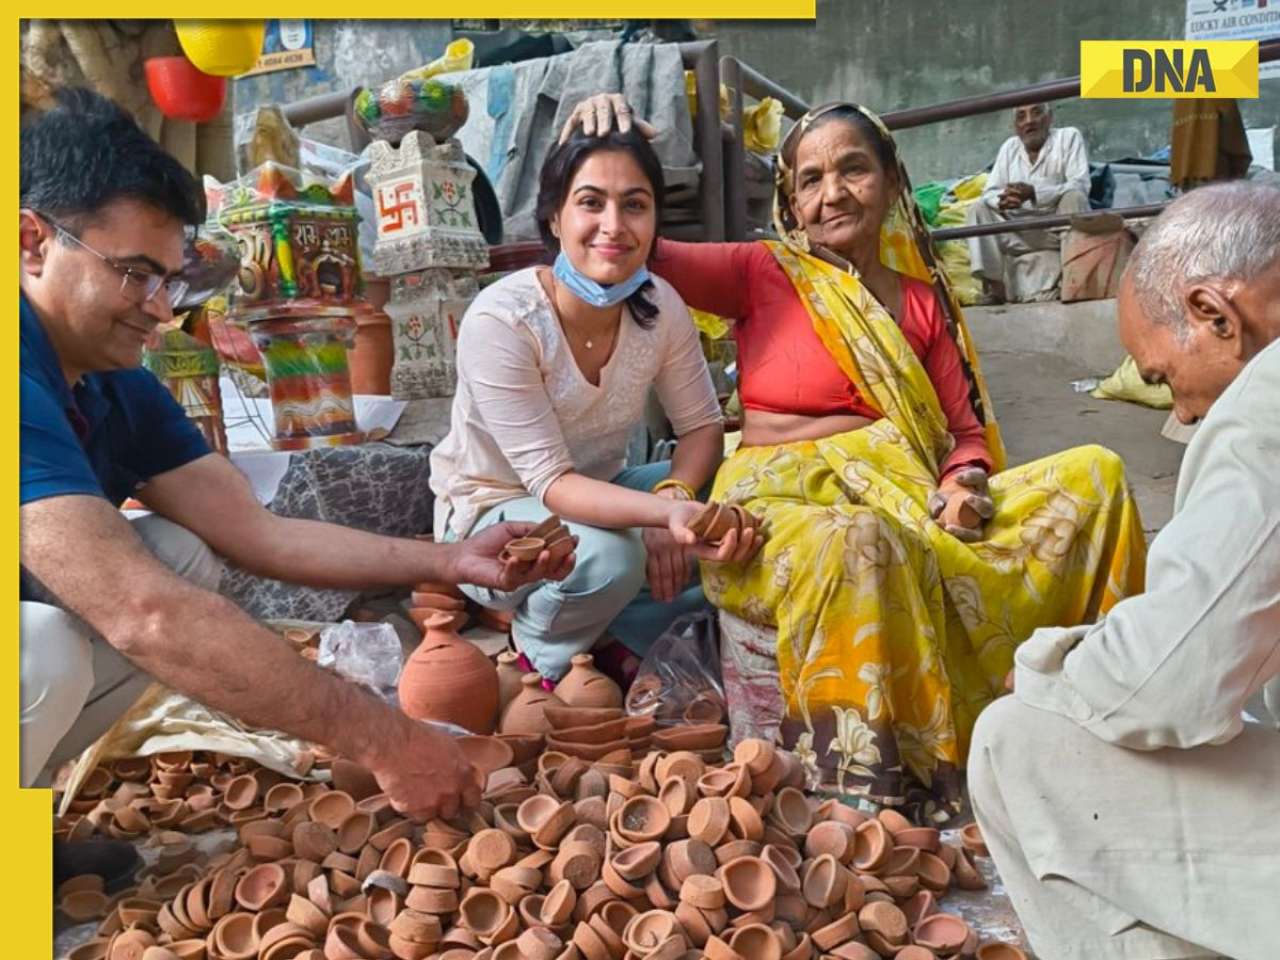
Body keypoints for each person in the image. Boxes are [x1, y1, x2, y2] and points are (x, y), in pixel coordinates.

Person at [20, 89, 574, 880]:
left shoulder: (112, 382)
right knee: (50, 648)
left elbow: (260, 533)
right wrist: (388, 741)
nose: (158, 309)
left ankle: (22, 826)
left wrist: (449, 562)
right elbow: (144, 615)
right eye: (136, 275)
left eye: (171, 282)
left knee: (178, 552)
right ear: (32, 241)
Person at [563, 95, 1145, 818]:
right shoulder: (760, 271)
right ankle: (864, 803)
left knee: (1096, 474)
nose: (832, 193)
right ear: (792, 202)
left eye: (852, 170)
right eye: (810, 180)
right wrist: (607, 140)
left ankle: (1088, 711)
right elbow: (628, 242)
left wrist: (964, 480)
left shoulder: (923, 303)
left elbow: (962, 432)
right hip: (783, 505)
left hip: (909, 495)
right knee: (862, 542)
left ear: (891, 181)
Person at [969, 182, 1280, 960]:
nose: (1178, 414)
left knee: (1015, 740)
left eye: (1165, 375)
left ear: (1216, 314)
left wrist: (1047, 670)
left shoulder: (1266, 412)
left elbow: (1173, 680)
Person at [429, 125, 758, 686]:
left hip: (604, 492)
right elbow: (552, 484)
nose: (614, 225)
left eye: (635, 205)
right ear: (555, 219)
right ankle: (540, 654)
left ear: (654, 222)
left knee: (743, 482)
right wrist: (661, 516)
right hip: (496, 512)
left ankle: (612, 633)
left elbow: (702, 426)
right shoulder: (502, 321)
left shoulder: (659, 303)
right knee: (611, 558)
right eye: (590, 203)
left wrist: (673, 494)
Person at [966, 102, 1091, 303]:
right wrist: (1004, 200)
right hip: (1019, 231)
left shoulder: (1068, 137)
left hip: (1056, 230)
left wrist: (1034, 192)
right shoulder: (1009, 147)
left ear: (1049, 118)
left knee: (1074, 197)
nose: (1029, 121)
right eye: (1021, 116)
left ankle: (1074, 281)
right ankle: (994, 288)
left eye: (1036, 112)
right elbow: (989, 192)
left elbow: (1080, 184)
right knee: (978, 208)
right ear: (1015, 126)